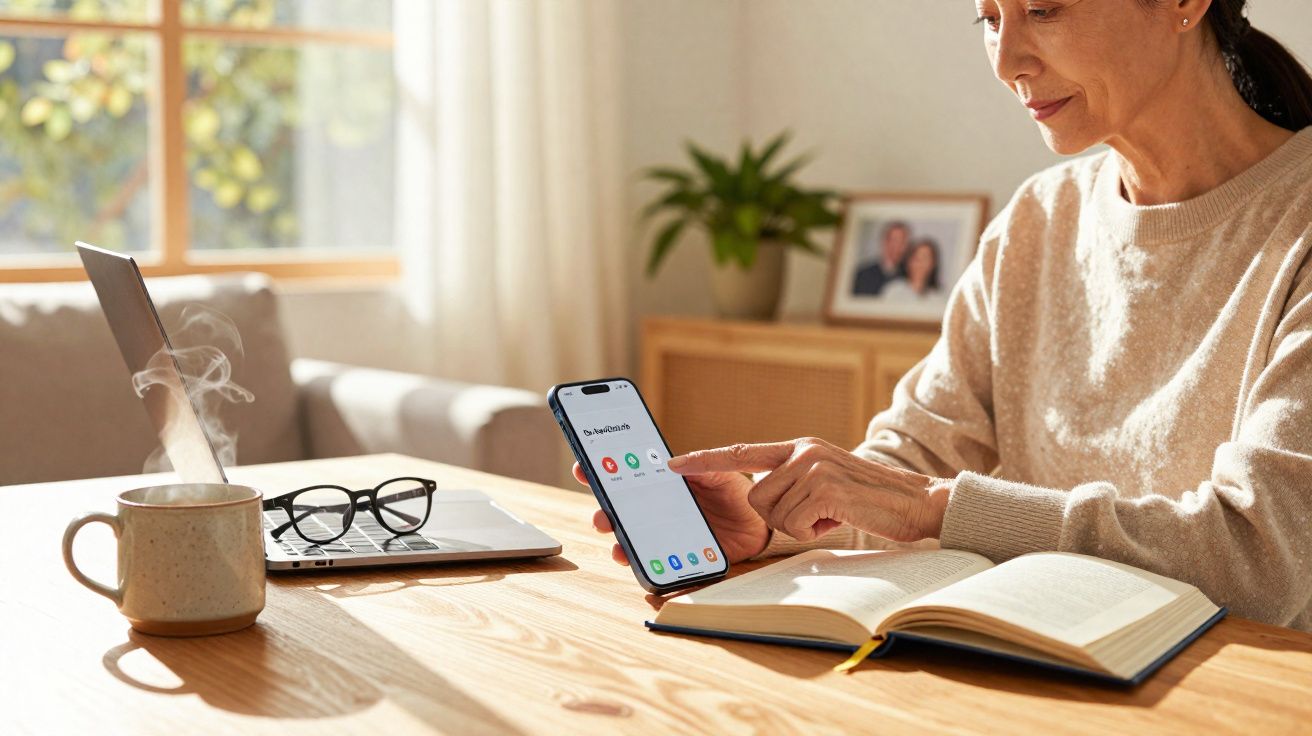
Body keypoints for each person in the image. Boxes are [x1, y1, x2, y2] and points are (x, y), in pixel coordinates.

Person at [579, 0, 1312, 632]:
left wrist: (934, 508)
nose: (1007, 60)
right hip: (1042, 677)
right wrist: (774, 520)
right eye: (988, 17)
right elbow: (910, 461)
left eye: (1044, 9)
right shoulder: (1038, 221)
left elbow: (1258, 558)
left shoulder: (1297, 224)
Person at [851, 221, 910, 295]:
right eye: (894, 240)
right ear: (884, 242)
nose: (897, 246)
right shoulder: (862, 274)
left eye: (902, 242)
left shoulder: (909, 276)